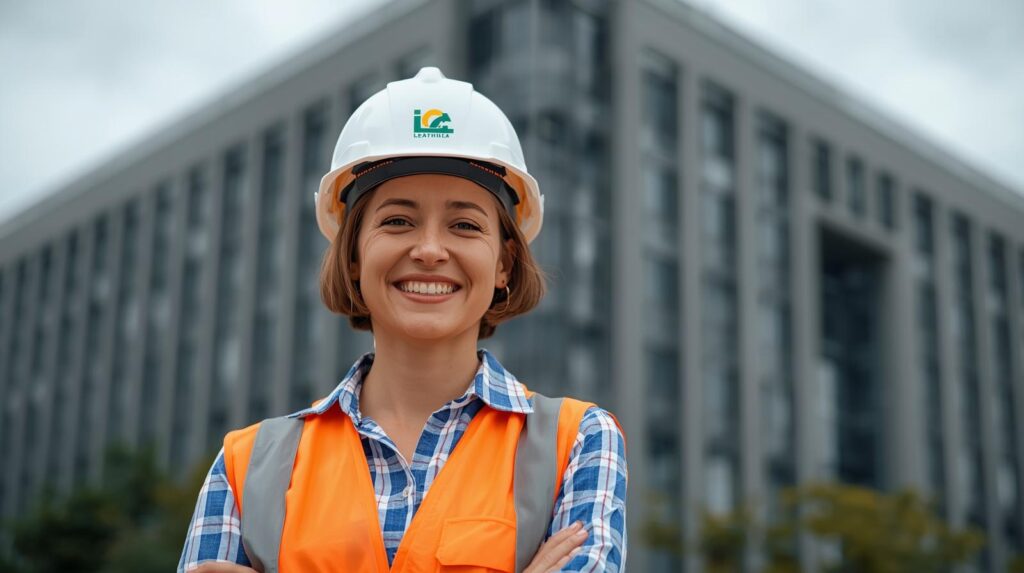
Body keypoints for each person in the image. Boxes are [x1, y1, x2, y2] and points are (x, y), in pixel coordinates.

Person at [177, 66, 627, 573]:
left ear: (503, 264)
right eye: (397, 221)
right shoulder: (246, 466)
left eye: (464, 224)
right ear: (353, 256)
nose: (430, 250)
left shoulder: (580, 442)